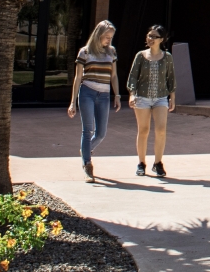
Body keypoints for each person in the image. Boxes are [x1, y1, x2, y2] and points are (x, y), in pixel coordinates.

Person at [68, 20, 121, 183]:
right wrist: (72, 102)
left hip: (104, 95)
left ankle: (85, 150)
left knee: (101, 133)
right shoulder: (85, 52)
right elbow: (78, 77)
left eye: (111, 37)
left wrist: (117, 95)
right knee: (88, 130)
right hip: (87, 93)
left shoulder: (111, 52)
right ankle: (87, 164)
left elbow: (113, 76)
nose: (108, 40)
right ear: (98, 35)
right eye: (106, 37)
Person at [127, 24, 176, 177]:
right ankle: (141, 163)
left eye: (154, 36)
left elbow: (171, 78)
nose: (150, 39)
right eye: (149, 35)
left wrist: (172, 97)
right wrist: (132, 94)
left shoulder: (167, 57)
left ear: (161, 39)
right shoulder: (140, 56)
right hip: (142, 97)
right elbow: (133, 77)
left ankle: (158, 163)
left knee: (161, 130)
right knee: (143, 130)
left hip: (161, 97)